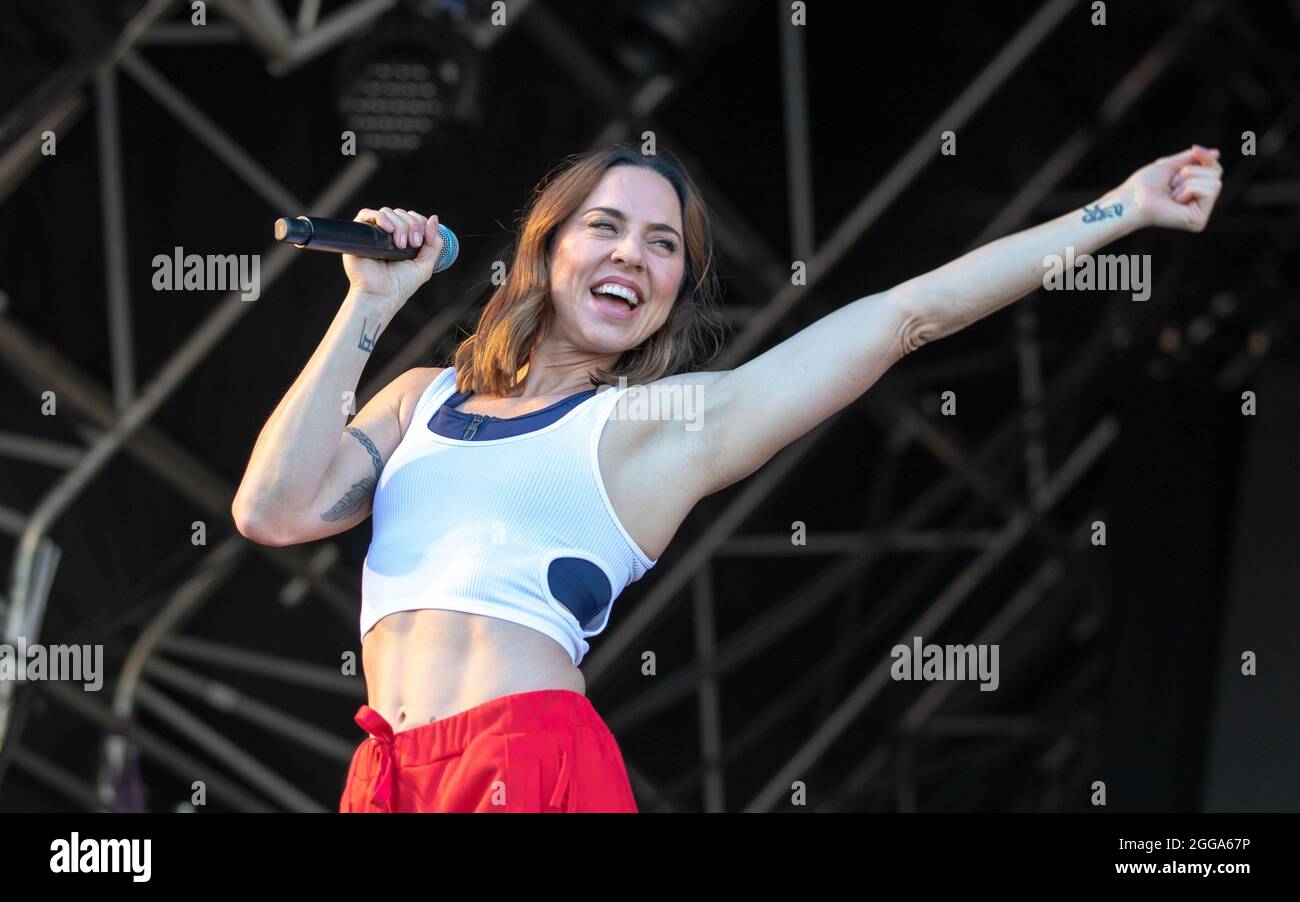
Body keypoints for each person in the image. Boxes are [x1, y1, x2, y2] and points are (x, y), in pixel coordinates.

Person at [231, 142, 1223, 813]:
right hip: (388, 772)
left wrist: (1119, 210)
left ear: (670, 296)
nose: (634, 254)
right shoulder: (416, 399)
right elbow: (270, 509)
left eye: (664, 246)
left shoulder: (655, 428)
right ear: (547, 249)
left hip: (526, 761)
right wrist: (369, 302)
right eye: (607, 227)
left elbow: (905, 315)